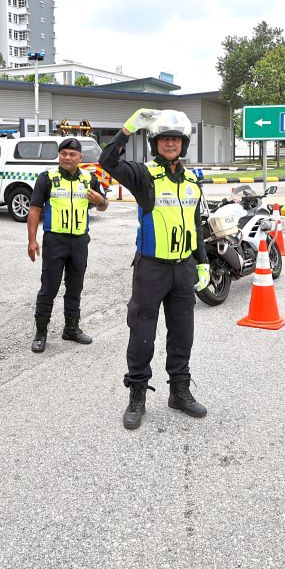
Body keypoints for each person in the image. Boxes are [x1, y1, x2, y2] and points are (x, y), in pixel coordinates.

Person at [101, 108, 212, 430]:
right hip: (151, 269)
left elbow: (195, 224)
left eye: (176, 139)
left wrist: (202, 262)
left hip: (183, 269)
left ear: (185, 144)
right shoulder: (144, 175)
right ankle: (137, 394)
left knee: (183, 335)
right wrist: (128, 127)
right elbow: (107, 162)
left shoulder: (192, 181)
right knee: (142, 334)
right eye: (164, 138)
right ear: (155, 142)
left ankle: (179, 391)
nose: (170, 144)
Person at [26, 137, 109, 353]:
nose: (67, 157)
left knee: (75, 286)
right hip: (55, 240)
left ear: (80, 157)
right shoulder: (47, 178)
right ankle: (41, 333)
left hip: (80, 241)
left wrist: (100, 201)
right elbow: (34, 209)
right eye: (63, 153)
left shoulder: (89, 179)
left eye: (72, 154)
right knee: (49, 287)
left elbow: (103, 207)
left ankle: (71, 328)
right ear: (59, 155)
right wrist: (32, 240)